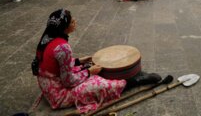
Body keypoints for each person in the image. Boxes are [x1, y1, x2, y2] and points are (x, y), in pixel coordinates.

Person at [31, 9, 161, 113]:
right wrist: (89, 72)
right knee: (100, 85)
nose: (75, 21)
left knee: (89, 66)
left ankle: (114, 75)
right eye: (71, 21)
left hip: (50, 83)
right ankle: (134, 82)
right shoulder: (63, 47)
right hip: (58, 93)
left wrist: (79, 62)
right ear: (64, 27)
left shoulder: (48, 38)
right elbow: (68, 81)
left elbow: (56, 64)